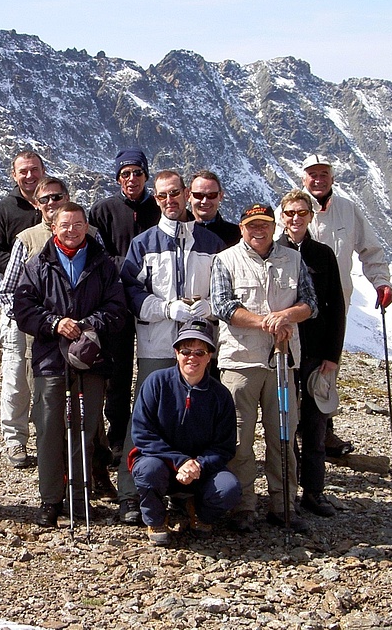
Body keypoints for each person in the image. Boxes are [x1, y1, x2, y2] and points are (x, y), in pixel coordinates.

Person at [116, 170, 225, 525]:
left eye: (174, 193)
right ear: (156, 198)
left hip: (200, 346)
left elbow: (226, 288)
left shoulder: (211, 244)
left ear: (186, 195)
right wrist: (165, 308)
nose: (168, 200)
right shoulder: (144, 244)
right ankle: (132, 492)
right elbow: (130, 292)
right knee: (145, 417)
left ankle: (189, 489)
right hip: (158, 344)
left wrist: (209, 306)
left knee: (196, 419)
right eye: (161, 195)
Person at [14, 203, 127, 527]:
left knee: (85, 430)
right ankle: (51, 500)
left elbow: (117, 309)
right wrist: (54, 323)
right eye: (65, 224)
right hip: (50, 361)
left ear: (86, 226)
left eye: (78, 224)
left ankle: (80, 497)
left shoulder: (103, 265)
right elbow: (23, 309)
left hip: (90, 360)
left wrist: (89, 324)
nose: (71, 230)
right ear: (53, 226)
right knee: (49, 429)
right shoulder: (36, 265)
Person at [211, 202, 318, 534]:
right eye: (252, 225)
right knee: (241, 439)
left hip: (282, 363)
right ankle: (244, 506)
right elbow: (222, 305)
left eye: (265, 225)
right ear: (242, 228)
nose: (258, 230)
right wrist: (266, 322)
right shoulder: (225, 260)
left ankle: (283, 504)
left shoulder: (294, 259)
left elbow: (310, 304)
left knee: (282, 436)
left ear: (274, 228)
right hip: (240, 362)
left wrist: (286, 317)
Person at [283, 153, 392, 456]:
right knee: (293, 369)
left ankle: (323, 432)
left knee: (326, 367)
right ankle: (291, 433)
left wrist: (381, 282)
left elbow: (370, 250)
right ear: (303, 178)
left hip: (334, 304)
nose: (317, 180)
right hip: (294, 306)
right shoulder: (295, 209)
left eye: (323, 174)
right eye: (312, 174)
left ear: (332, 177)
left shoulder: (348, 210)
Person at [129, 319, 242, 546]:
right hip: (161, 464)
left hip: (201, 470)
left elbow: (224, 446)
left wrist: (198, 464)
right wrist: (179, 461)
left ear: (210, 355)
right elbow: (142, 434)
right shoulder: (156, 383)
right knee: (147, 471)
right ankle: (157, 519)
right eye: (186, 351)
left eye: (200, 352)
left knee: (229, 489)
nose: (192, 357)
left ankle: (199, 512)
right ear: (176, 353)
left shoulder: (220, 395)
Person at [88, 148, 161, 462]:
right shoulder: (102, 210)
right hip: (116, 301)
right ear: (117, 177)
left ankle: (150, 431)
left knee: (154, 367)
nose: (132, 179)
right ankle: (118, 434)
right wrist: (129, 265)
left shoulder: (160, 208)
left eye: (137, 173)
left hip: (154, 301)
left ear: (146, 175)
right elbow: (96, 254)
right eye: (125, 173)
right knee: (117, 372)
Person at [277, 190, 346, 518]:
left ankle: (314, 493)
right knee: (286, 425)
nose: (295, 218)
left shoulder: (323, 254)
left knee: (316, 427)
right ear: (282, 215)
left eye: (301, 213)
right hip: (285, 353)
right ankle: (287, 491)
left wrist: (333, 355)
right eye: (289, 212)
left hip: (318, 354)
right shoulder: (274, 252)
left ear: (310, 217)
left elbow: (336, 309)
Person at [0, 177, 70, 468]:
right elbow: (8, 289)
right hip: (27, 326)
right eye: (45, 199)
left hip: (72, 327)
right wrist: (30, 320)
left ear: (67, 197)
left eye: (57, 197)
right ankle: (15, 441)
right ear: (36, 204)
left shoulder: (86, 232)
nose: (51, 204)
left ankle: (60, 441)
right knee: (18, 383)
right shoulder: (27, 239)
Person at [0, 151, 46, 469]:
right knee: (15, 377)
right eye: (23, 171)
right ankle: (15, 440)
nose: (29, 176)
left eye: (34, 170)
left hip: (51, 309)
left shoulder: (54, 205)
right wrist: (27, 268)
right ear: (14, 175)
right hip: (17, 307)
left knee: (47, 377)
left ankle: (47, 436)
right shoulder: (4, 210)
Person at [187, 169, 241, 248]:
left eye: (211, 195)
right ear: (188, 196)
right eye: (199, 195)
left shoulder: (236, 235)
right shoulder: (178, 232)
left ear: (221, 196)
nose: (205, 201)